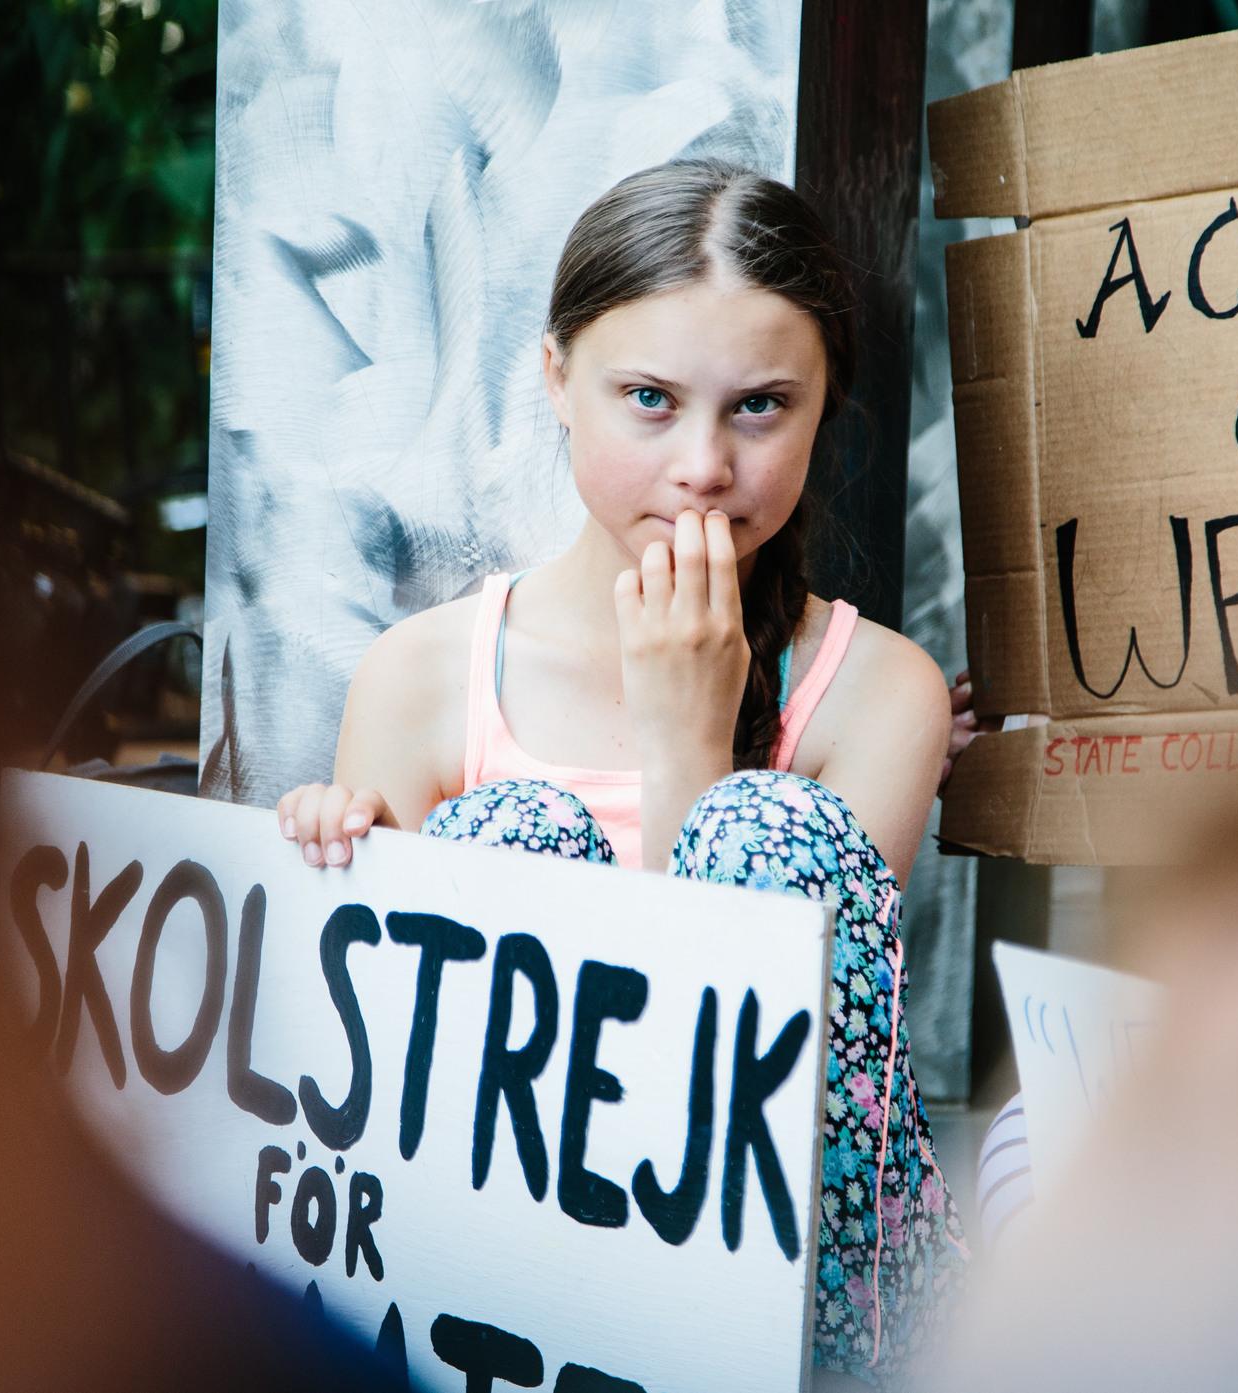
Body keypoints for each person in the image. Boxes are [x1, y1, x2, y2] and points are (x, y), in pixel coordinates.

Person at [277, 159, 969, 1385]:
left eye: (760, 407)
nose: (702, 463)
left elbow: (741, 1084)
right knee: (512, 833)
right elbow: (380, 1085)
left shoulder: (880, 693)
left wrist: (688, 744)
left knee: (771, 830)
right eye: (647, 397)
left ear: (823, 411)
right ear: (556, 378)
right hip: (521, 1297)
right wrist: (339, 847)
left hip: (796, 1299)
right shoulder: (423, 677)